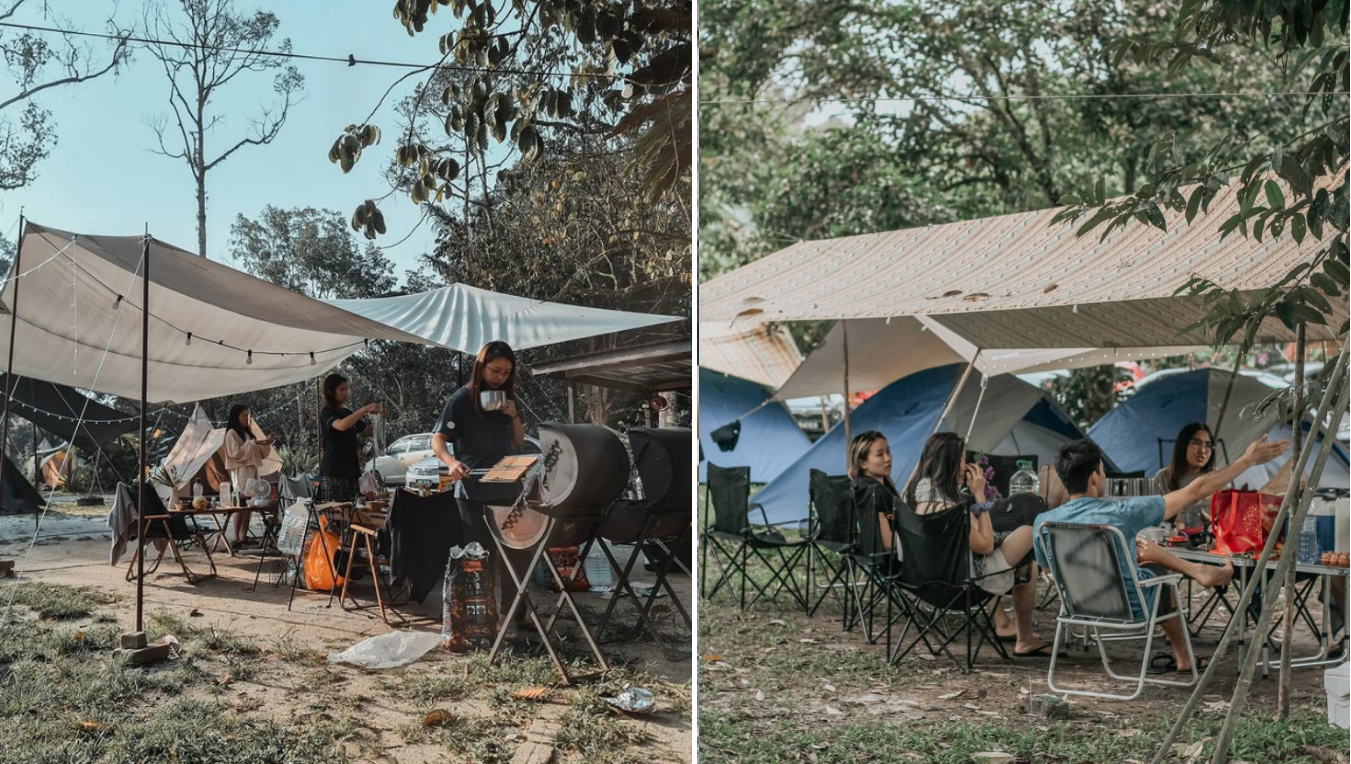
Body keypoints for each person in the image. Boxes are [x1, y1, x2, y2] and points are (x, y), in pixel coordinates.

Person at [1034, 436, 1289, 673]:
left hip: (1077, 606)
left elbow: (1049, 573)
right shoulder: (1122, 513)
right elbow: (1195, 491)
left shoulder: (1043, 522)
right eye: (1103, 470)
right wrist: (1247, 460)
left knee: (1134, 554)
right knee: (1158, 573)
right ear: (1094, 477)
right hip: (1131, 606)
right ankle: (1185, 655)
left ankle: (1194, 574)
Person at [899, 432, 1055, 658]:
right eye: (962, 459)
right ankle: (1025, 637)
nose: (966, 465)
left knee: (1023, 557)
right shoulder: (945, 507)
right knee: (1029, 535)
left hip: (924, 578)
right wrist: (980, 494)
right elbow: (985, 546)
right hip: (961, 582)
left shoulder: (914, 494)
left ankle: (1009, 625)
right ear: (950, 462)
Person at [431, 341, 528, 623]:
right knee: (479, 556)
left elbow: (519, 441)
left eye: (507, 373)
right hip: (473, 491)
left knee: (515, 553)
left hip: (509, 488)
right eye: (496, 371)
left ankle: (513, 613)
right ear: (481, 367)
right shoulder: (461, 399)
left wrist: (514, 415)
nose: (500, 377)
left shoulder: (508, 400)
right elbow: (438, 439)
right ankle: (481, 618)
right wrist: (451, 463)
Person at [318, 374, 384, 503]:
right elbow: (341, 425)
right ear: (331, 392)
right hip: (334, 472)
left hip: (351, 470)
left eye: (347, 389)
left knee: (353, 510)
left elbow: (367, 431)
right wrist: (364, 410)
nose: (345, 393)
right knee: (336, 513)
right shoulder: (327, 412)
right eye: (342, 389)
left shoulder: (347, 413)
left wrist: (380, 418)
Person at [222, 404, 273, 545]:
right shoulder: (231, 433)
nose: (246, 418)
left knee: (250, 503)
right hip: (241, 471)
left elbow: (259, 453)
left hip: (252, 470)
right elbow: (235, 453)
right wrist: (252, 443)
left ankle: (243, 536)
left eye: (247, 415)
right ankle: (237, 537)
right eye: (243, 415)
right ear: (236, 417)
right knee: (241, 502)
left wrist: (266, 443)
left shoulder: (247, 433)